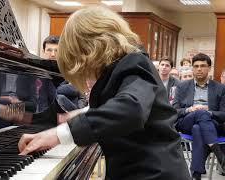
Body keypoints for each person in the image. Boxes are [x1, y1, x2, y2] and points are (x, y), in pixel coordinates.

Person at [18, 6, 190, 180]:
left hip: (153, 173)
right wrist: (64, 120)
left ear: (91, 48)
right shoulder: (121, 67)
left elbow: (131, 109)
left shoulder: (135, 63)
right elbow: (112, 106)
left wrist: (59, 134)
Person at [173, 53, 225, 179]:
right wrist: (190, 109)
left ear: (209, 68)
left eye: (203, 66)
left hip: (211, 123)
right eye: (196, 66)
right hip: (187, 121)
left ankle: (196, 174)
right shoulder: (182, 86)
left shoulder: (220, 88)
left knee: (198, 128)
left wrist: (210, 112)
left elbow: (224, 114)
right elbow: (174, 110)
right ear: (192, 68)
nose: (199, 69)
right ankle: (219, 153)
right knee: (199, 113)